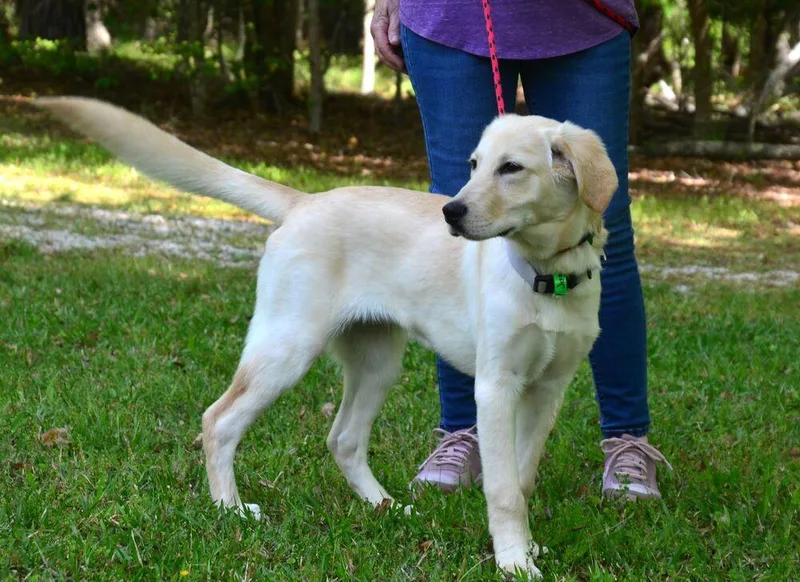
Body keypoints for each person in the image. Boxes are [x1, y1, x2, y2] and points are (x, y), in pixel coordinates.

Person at [371, 0, 671, 499]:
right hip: (453, 14)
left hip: (584, 17)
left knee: (601, 214)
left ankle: (626, 439)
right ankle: (463, 431)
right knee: (463, 210)